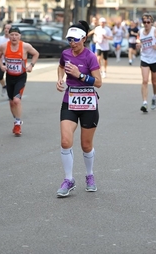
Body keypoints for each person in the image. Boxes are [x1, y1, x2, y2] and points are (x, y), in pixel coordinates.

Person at [55, 20, 102, 197]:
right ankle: (68, 179)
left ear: (83, 39)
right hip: (70, 101)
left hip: (89, 103)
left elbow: (98, 82)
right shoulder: (66, 54)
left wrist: (79, 75)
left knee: (86, 145)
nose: (72, 43)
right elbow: (60, 66)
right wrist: (60, 79)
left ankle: (89, 175)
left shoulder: (90, 56)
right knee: (66, 141)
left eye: (75, 40)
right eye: (69, 40)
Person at [0, 27, 39, 136]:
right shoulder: (4, 46)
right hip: (9, 77)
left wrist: (31, 65)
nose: (14, 37)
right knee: (11, 102)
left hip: (21, 77)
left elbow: (36, 54)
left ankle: (18, 124)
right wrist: (1, 65)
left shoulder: (25, 46)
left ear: (20, 36)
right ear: (9, 36)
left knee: (16, 100)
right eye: (12, 35)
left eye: (16, 35)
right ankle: (16, 120)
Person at [139, 13, 156, 112]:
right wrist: (139, 45)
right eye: (144, 22)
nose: (146, 24)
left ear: (151, 22)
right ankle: (145, 103)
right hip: (145, 58)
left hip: (155, 59)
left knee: (154, 82)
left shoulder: (155, 31)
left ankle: (154, 96)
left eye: (148, 22)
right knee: (145, 80)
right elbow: (140, 42)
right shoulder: (141, 31)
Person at [0, 23, 12, 97]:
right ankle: (4, 86)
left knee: (10, 79)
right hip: (1, 61)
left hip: (10, 62)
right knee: (0, 77)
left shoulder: (13, 39)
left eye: (8, 29)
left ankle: (10, 93)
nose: (6, 30)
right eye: (5, 28)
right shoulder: (0, 38)